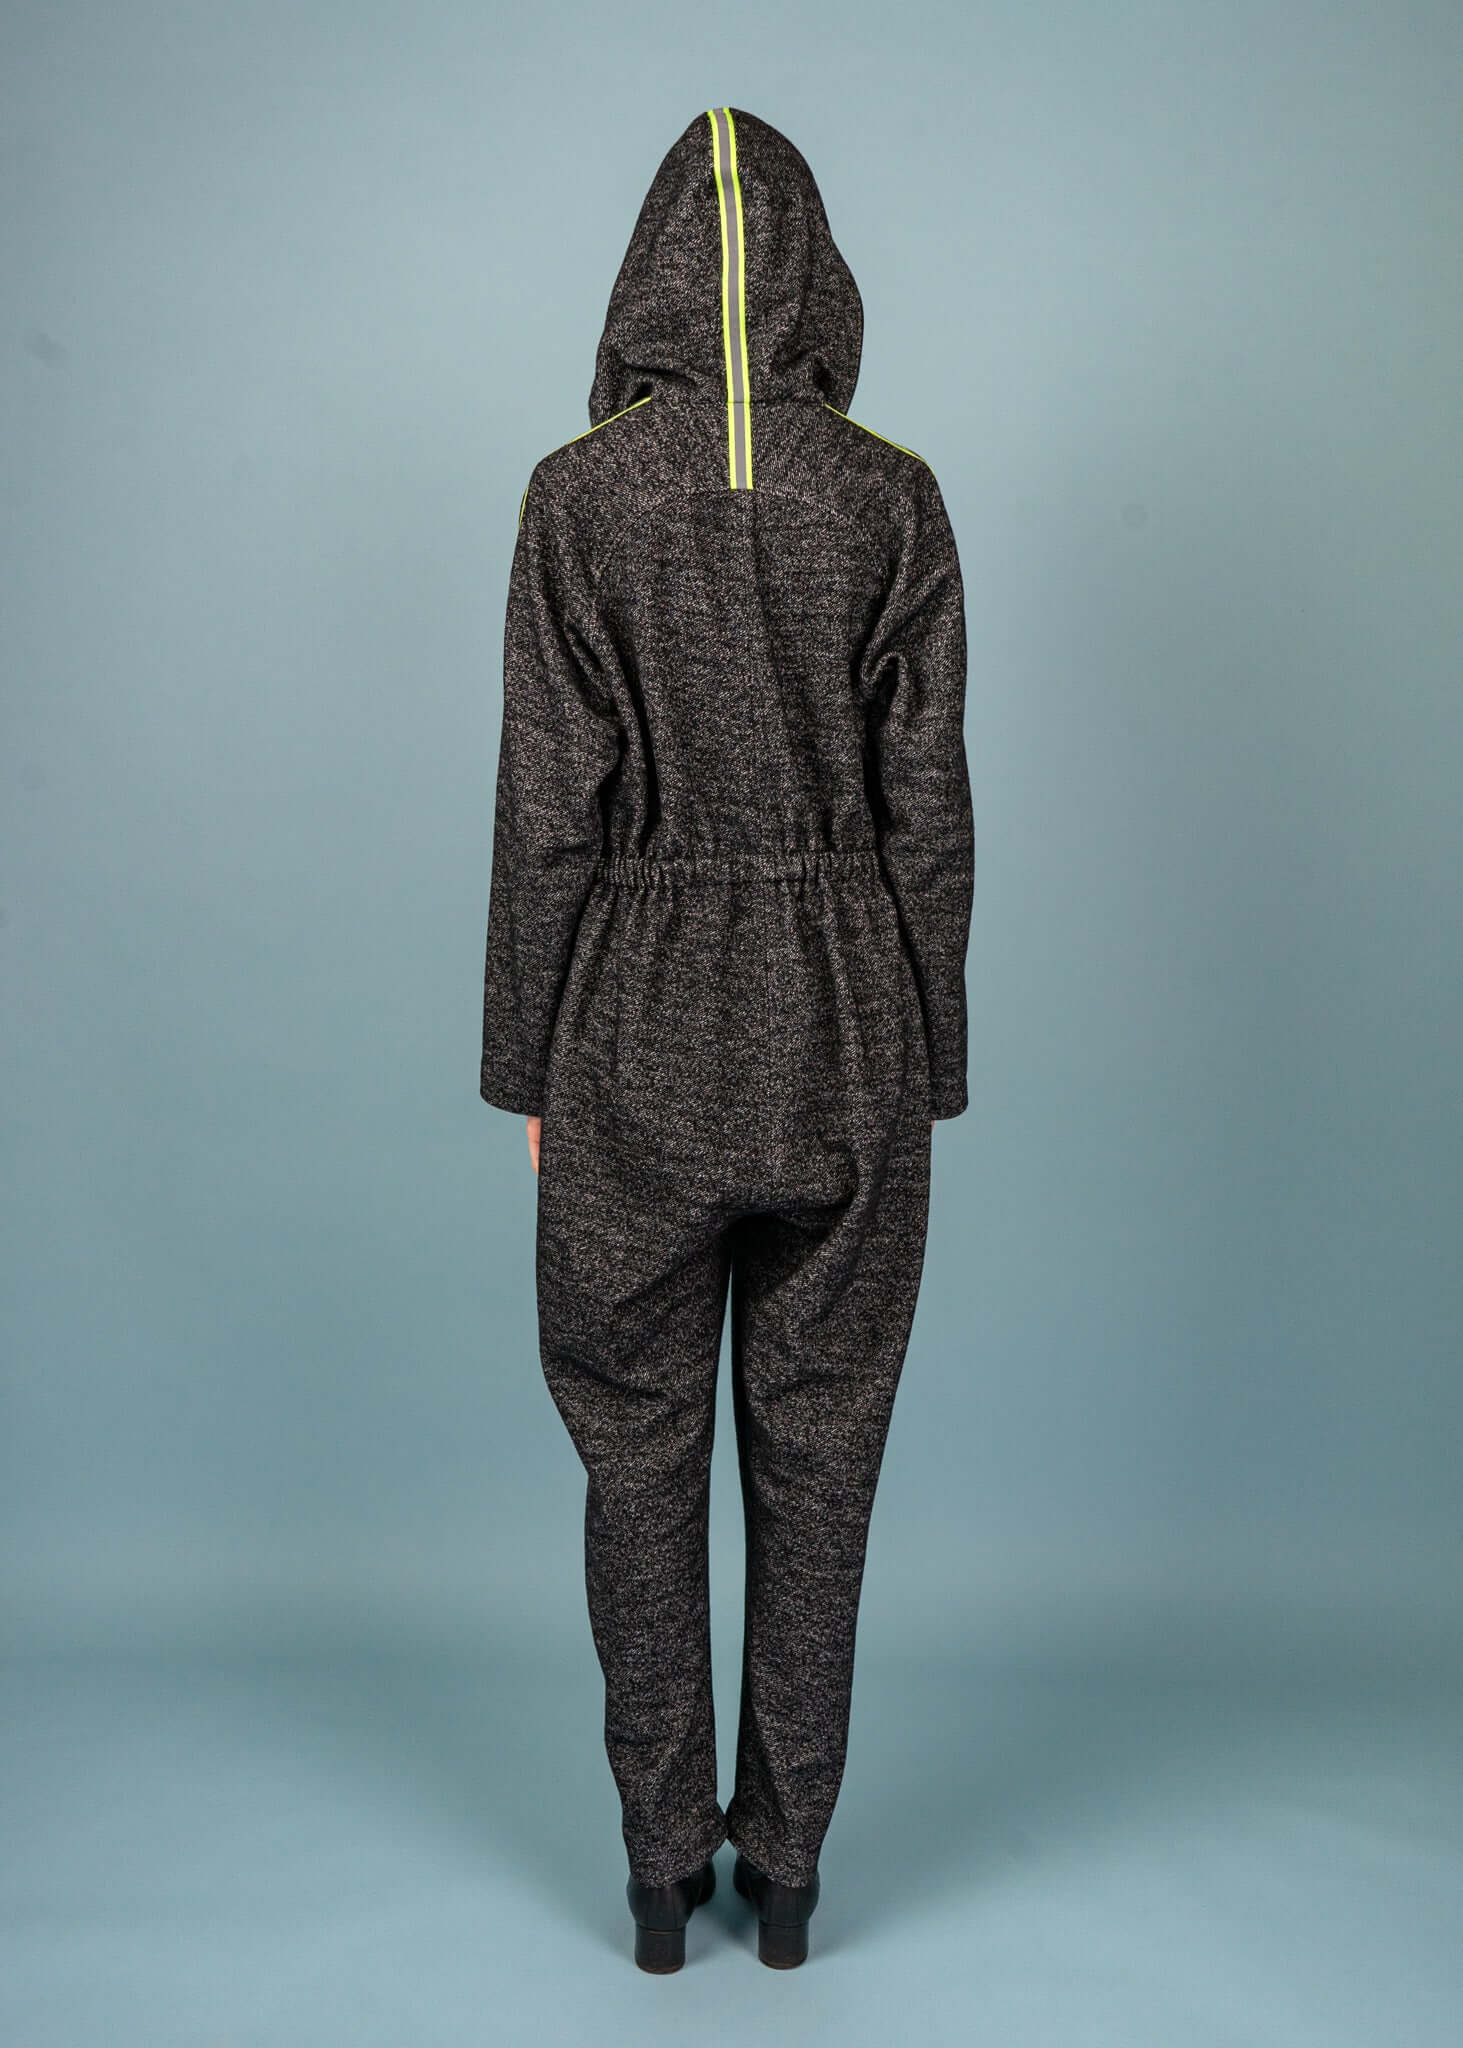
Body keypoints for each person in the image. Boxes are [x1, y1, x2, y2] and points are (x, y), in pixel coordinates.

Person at [479, 104, 973, 1972]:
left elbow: (548, 809)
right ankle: (793, 1867)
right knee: (822, 1453)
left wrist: (529, 1062)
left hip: (632, 1016)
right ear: (817, 272)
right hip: (848, 1014)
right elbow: (929, 813)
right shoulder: (894, 497)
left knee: (634, 1445)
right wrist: (927, 1053)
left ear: (647, 279)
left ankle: (654, 1865)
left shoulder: (576, 498)